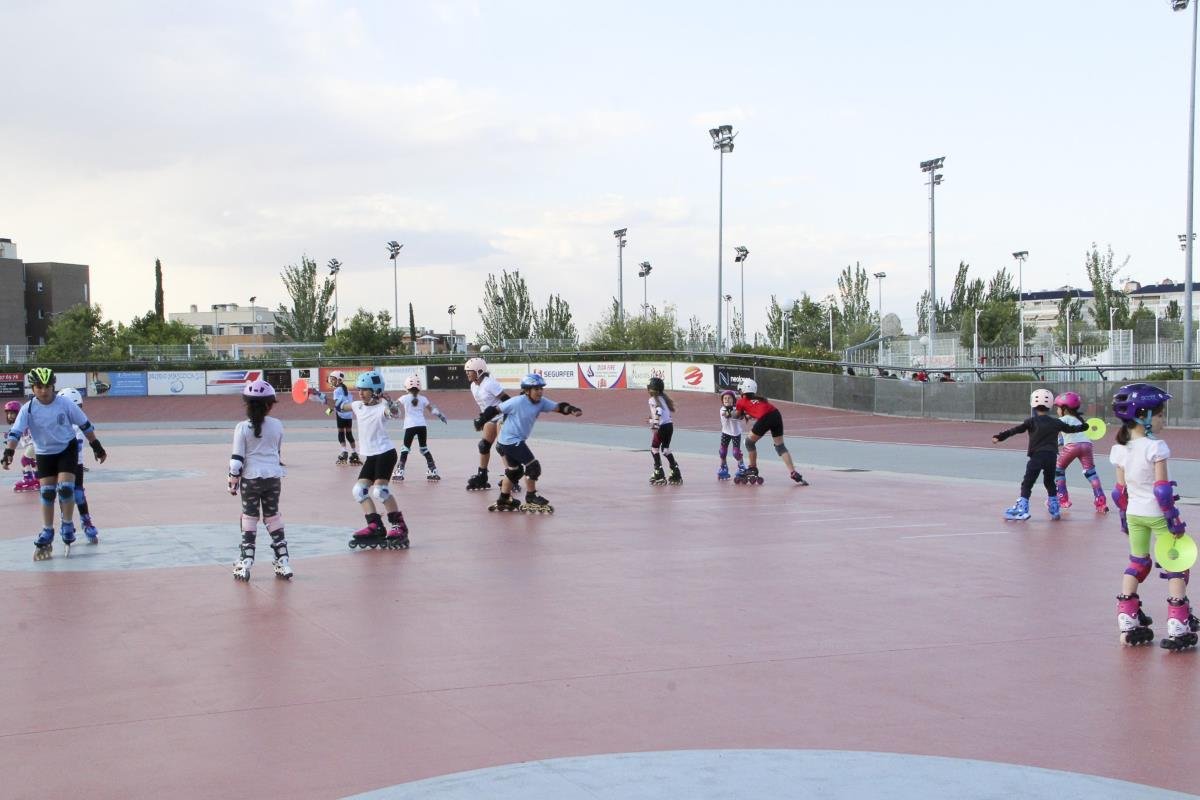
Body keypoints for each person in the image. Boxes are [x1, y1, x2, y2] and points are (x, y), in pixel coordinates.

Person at [1108, 383, 1199, 650]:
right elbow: (1161, 489)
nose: (1163, 419)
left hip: (1135, 514)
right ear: (1143, 416)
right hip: (1157, 515)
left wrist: (1125, 518)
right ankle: (1178, 623)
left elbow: (1119, 491)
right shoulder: (1155, 447)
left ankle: (1127, 616)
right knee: (1177, 566)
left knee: (1138, 562)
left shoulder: (1119, 449)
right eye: (1159, 414)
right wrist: (1173, 518)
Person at [1, 368, 107, 560]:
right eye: (39, 387)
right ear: (33, 388)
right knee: (47, 493)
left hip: (67, 448)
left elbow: (85, 424)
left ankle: (67, 525)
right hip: (44, 453)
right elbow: (16, 432)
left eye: (48, 386)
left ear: (53, 386)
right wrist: (8, 451)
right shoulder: (29, 408)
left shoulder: (64, 404)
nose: (44, 391)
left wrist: (96, 445)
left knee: (66, 488)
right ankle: (47, 530)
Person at [333, 370, 409, 549]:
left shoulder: (382, 407)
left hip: (385, 453)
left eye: (365, 390)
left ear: (376, 390)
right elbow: (339, 406)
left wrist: (390, 402)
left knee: (380, 491)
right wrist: (318, 396)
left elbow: (395, 413)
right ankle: (375, 526)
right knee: (358, 491)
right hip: (371, 456)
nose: (360, 393)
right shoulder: (358, 405)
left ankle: (399, 526)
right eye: (359, 389)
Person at [487, 373, 582, 514]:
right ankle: (531, 496)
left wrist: (572, 409)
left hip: (512, 441)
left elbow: (559, 407)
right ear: (527, 390)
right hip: (510, 441)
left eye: (541, 389)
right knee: (533, 467)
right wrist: (481, 420)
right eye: (536, 389)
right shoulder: (517, 401)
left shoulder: (541, 402)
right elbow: (494, 410)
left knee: (515, 471)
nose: (539, 392)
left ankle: (504, 498)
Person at [227, 379, 292, 581]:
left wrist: (232, 479)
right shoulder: (278, 425)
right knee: (273, 516)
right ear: (270, 404)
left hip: (251, 478)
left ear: (247, 404)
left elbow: (237, 459)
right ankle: (283, 559)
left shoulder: (242, 427)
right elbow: (277, 451)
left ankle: (246, 560)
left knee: (249, 517)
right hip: (273, 477)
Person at [991, 389, 1087, 521]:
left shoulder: (1031, 421)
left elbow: (1015, 430)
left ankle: (1022, 508)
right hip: (1051, 456)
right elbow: (1071, 429)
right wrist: (1084, 426)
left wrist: (999, 437)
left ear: (1033, 404)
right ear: (1050, 405)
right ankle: (1054, 507)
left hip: (1037, 456)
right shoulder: (1056, 422)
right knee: (1049, 482)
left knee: (1028, 482)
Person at [732, 379, 808, 486]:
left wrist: (730, 412)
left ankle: (752, 468)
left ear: (743, 390)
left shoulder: (741, 401)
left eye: (740, 390)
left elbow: (736, 415)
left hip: (765, 418)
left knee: (749, 442)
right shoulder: (760, 399)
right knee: (780, 446)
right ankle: (793, 472)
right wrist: (748, 414)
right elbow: (758, 410)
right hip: (776, 415)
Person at [57, 388, 101, 544]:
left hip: (77, 463)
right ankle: (66, 521)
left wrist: (97, 448)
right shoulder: (58, 423)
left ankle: (86, 521)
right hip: (61, 463)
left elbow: (90, 435)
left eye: (78, 408)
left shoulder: (81, 422)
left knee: (78, 493)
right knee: (64, 492)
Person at [1052, 391, 1108, 514]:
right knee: (1091, 473)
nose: (1057, 411)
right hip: (1087, 445)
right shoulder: (1079, 420)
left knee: (1058, 470)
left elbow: (1059, 439)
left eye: (1058, 408)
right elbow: (1064, 438)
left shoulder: (1062, 420)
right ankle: (1101, 501)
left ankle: (1062, 499)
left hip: (1072, 447)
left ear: (1064, 409)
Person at [465, 357, 512, 491]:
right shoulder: (473, 386)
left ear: (479, 371)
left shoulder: (490, 383)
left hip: (503, 416)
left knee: (501, 447)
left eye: (470, 371)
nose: (467, 374)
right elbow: (484, 406)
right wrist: (482, 419)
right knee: (483, 445)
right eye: (466, 371)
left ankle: (511, 476)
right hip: (491, 418)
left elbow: (508, 401)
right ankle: (482, 476)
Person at [392, 374, 447, 482]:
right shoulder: (423, 399)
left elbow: (393, 407)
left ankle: (400, 471)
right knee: (424, 449)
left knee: (405, 449)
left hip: (410, 426)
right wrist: (440, 415)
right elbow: (432, 410)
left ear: (407, 387)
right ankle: (432, 469)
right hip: (422, 426)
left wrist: (389, 403)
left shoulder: (404, 398)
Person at [310, 371, 360, 467]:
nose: (331, 381)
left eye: (333, 379)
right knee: (349, 434)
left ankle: (344, 451)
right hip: (349, 415)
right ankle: (354, 452)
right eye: (331, 379)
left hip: (341, 415)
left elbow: (335, 404)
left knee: (341, 433)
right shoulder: (347, 390)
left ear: (339, 380)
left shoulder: (337, 391)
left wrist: (320, 398)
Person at [646, 377, 682, 486]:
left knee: (654, 449)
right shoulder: (663, 398)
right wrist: (652, 420)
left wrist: (655, 423)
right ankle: (675, 470)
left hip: (661, 428)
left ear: (653, 390)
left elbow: (659, 411)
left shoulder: (652, 400)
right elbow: (664, 414)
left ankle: (658, 472)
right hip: (669, 426)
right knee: (665, 450)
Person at [4, 399, 38, 492]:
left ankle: (28, 479)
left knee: (25, 460)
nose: (10, 416)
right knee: (33, 462)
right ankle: (38, 478)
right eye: (8, 413)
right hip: (33, 445)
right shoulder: (17, 424)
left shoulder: (24, 421)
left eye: (12, 413)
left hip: (34, 444)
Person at [716, 389, 747, 481]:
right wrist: (741, 414)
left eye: (729, 398)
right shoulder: (722, 409)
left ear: (733, 400)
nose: (726, 400)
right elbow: (728, 414)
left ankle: (741, 466)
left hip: (736, 433)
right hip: (726, 432)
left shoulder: (737, 409)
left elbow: (740, 416)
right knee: (722, 451)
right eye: (725, 398)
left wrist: (744, 414)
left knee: (736, 453)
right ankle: (723, 467)